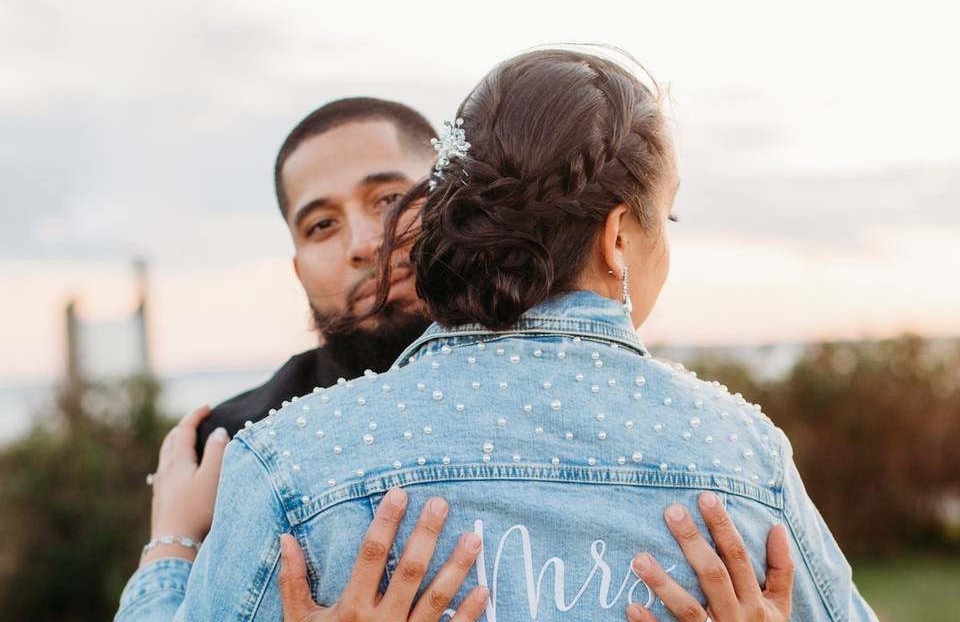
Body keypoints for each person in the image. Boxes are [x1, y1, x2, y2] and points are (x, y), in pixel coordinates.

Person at [119, 46, 871, 620]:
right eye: (663, 220)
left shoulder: (281, 464)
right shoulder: (742, 457)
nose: (363, 243)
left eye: (388, 200)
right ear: (617, 237)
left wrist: (170, 551)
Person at [194, 97, 438, 457]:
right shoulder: (237, 444)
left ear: (456, 201)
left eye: (389, 200)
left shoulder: (547, 374)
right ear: (299, 272)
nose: (363, 245)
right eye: (322, 225)